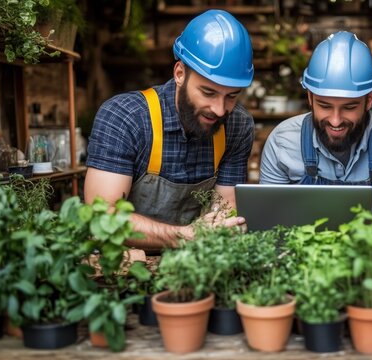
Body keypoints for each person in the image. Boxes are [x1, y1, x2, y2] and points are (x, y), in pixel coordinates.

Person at [85, 10, 254, 250]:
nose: (219, 110)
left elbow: (224, 210)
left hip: (194, 264)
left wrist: (217, 230)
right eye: (208, 92)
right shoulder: (125, 117)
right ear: (179, 74)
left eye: (231, 96)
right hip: (124, 265)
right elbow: (101, 217)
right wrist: (184, 236)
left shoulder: (237, 125)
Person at [260, 31, 372, 232]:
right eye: (324, 105)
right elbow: (269, 233)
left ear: (369, 99)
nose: (335, 120)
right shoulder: (283, 143)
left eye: (349, 107)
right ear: (309, 97)